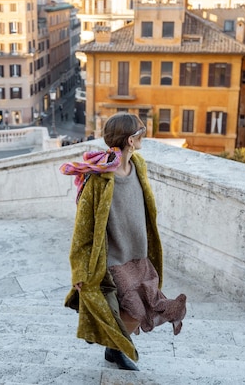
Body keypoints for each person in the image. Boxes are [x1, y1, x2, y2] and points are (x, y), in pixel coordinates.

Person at [60, 112, 187, 371]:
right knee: (134, 311)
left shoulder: (138, 165)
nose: (144, 138)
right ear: (130, 140)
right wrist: (81, 270)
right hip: (115, 258)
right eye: (141, 133)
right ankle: (114, 346)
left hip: (139, 254)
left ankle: (112, 346)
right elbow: (83, 228)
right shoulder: (99, 178)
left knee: (148, 303)